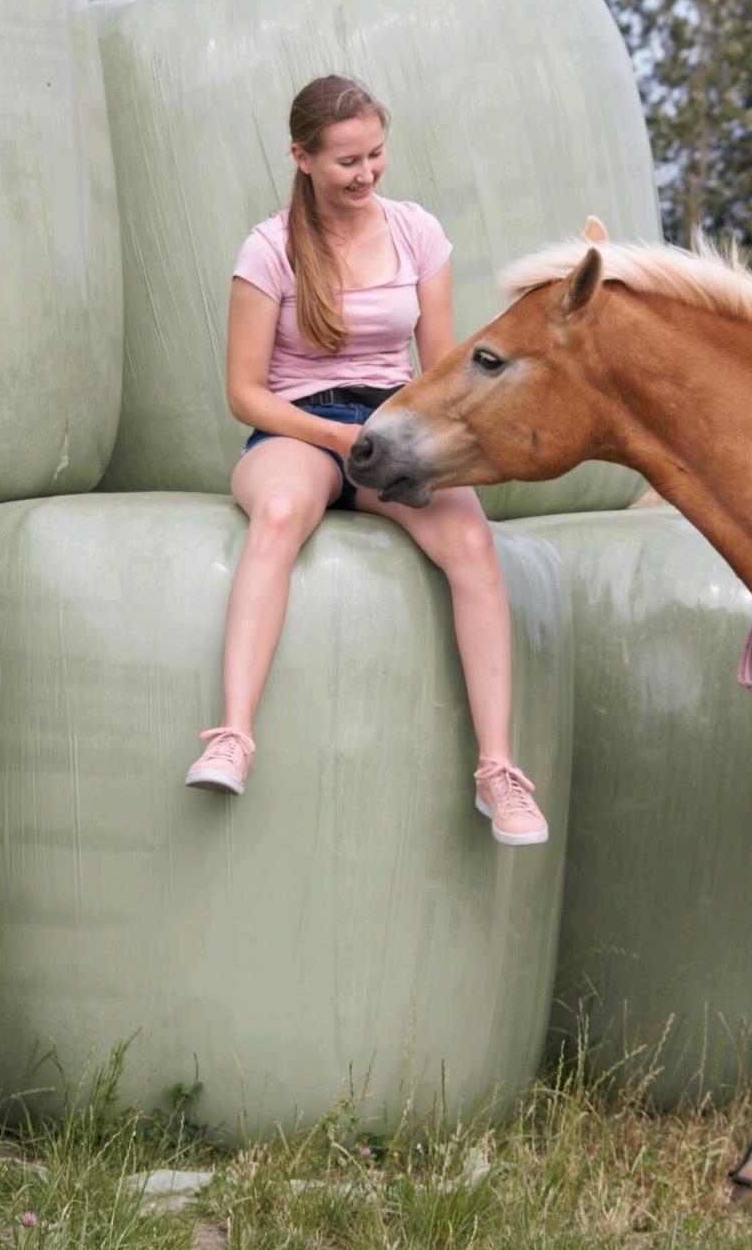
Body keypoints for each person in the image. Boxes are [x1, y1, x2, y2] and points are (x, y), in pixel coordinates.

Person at [184, 75, 548, 847]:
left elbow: (441, 369)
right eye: (346, 160)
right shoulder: (268, 248)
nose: (365, 173)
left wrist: (438, 447)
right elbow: (245, 393)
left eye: (375, 154)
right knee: (280, 514)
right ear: (302, 158)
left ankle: (497, 770)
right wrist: (342, 441)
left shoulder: (418, 233)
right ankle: (232, 736)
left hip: (396, 423)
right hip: (295, 427)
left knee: (474, 544)